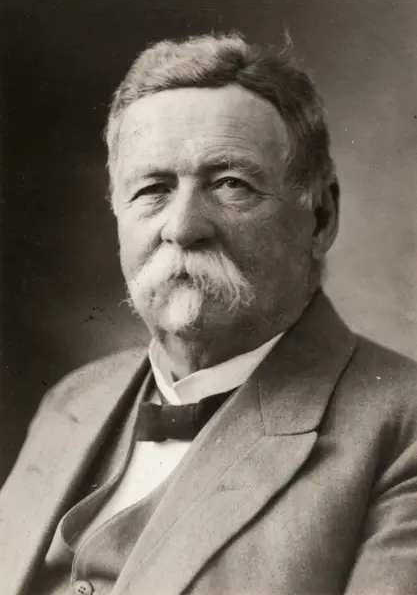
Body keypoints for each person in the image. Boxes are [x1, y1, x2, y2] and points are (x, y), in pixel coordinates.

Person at [1, 32, 417, 595]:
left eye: (229, 184)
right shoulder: (72, 400)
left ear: (320, 217)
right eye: (152, 189)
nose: (182, 227)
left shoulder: (402, 430)